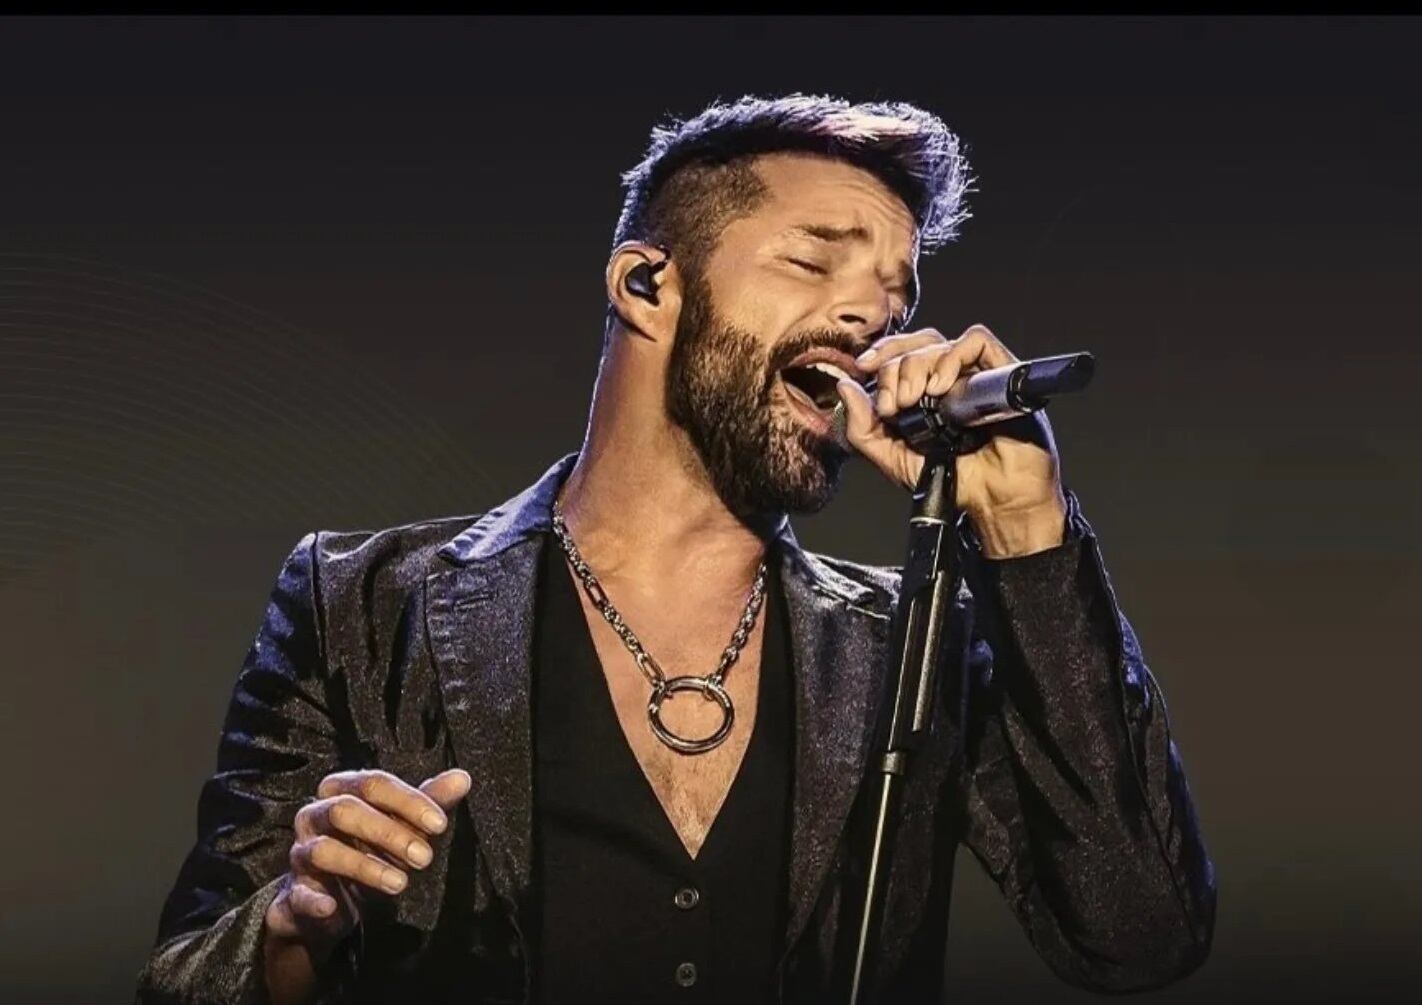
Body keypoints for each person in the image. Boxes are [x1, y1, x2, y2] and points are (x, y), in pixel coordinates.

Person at [136, 93, 1216, 1005]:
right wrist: (295, 933)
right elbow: (187, 975)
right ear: (645, 286)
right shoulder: (362, 602)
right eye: (813, 261)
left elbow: (1139, 934)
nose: (870, 321)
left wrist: (1025, 533)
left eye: (897, 303)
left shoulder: (920, 637)